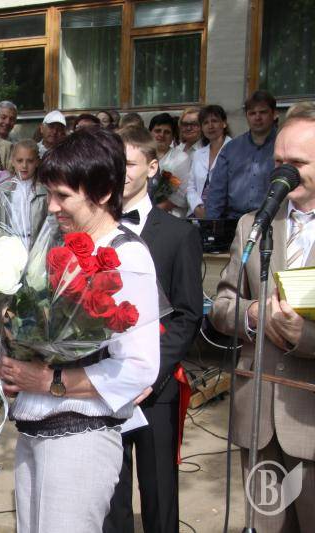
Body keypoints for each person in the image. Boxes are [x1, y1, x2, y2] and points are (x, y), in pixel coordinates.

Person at [0, 127, 160, 533]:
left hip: (80, 437)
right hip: (35, 429)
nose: (52, 206)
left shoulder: (126, 256)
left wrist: (51, 381)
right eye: (49, 194)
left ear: (102, 192)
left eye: (63, 196)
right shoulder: (59, 245)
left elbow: (139, 367)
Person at [209, 101, 315, 531]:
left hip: (309, 419)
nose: (284, 172)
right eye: (278, 162)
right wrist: (251, 315)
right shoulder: (253, 224)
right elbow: (222, 304)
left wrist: (303, 335)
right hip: (257, 417)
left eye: (298, 163)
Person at [104, 126, 203, 533]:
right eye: (115, 164)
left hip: (156, 387)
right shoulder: (94, 232)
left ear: (152, 166)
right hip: (106, 381)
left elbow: (188, 314)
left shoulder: (180, 234)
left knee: (160, 494)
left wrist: (150, 374)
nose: (121, 172)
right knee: (111, 497)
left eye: (129, 163)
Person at [205, 90, 279, 219]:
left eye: (263, 112)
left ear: (273, 114)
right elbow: (216, 192)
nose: (257, 117)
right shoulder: (230, 149)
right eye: (252, 113)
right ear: (247, 116)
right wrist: (212, 223)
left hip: (273, 220)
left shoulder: (284, 146)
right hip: (235, 221)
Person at [0, 139, 48, 247]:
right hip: (9, 246)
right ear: (12, 161)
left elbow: (50, 225)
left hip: (36, 246)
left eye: (30, 161)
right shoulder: (2, 191)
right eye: (19, 161)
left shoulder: (44, 192)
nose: (24, 165)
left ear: (37, 162)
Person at [187, 105, 232, 218]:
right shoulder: (198, 154)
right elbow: (191, 187)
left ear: (224, 123)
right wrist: (197, 207)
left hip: (224, 214)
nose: (210, 126)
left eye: (214, 121)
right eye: (205, 123)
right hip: (198, 214)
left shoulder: (234, 149)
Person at [149, 112, 191, 217]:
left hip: (171, 215)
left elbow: (181, 195)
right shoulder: (142, 156)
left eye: (167, 132)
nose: (161, 135)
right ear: (150, 133)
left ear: (173, 137)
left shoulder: (181, 158)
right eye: (157, 131)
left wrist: (152, 212)